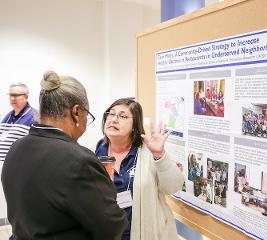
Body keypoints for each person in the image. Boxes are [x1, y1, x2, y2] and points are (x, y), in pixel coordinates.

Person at [1, 71, 128, 240]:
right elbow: (111, 226)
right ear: (76, 112)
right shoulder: (79, 161)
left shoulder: (16, 148)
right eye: (86, 115)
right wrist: (107, 189)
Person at [95, 98, 184, 240]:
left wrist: (159, 155)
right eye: (111, 114)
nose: (114, 119)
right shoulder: (97, 152)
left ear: (135, 125)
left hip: (144, 233)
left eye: (123, 116)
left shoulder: (148, 152)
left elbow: (174, 186)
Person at [0, 83, 38, 161]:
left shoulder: (35, 116)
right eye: (11, 95)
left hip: (17, 167)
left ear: (26, 97)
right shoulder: (8, 116)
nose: (13, 98)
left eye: (16, 95)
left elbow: (38, 146)